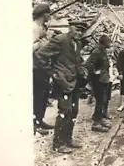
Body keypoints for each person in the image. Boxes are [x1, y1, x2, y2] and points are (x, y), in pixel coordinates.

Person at [35, 20, 88, 154]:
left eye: (82, 30)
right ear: (70, 27)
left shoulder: (78, 42)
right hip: (63, 82)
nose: (79, 32)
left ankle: (67, 139)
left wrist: (83, 70)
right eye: (77, 29)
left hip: (74, 82)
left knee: (73, 111)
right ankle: (58, 144)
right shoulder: (60, 40)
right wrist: (52, 72)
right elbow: (40, 55)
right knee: (64, 111)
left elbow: (76, 60)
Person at [32, 3, 53, 135]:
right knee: (38, 95)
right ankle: (35, 123)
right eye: (48, 14)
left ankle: (40, 119)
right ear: (43, 14)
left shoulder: (41, 27)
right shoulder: (33, 28)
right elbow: (31, 47)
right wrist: (45, 41)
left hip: (43, 66)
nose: (49, 16)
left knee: (44, 95)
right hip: (35, 67)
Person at [86, 35, 112, 133]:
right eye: (108, 42)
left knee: (102, 100)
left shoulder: (103, 51)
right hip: (98, 80)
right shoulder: (96, 52)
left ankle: (99, 118)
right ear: (103, 43)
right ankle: (96, 124)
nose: (110, 44)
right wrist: (95, 72)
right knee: (100, 101)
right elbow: (88, 64)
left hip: (104, 79)